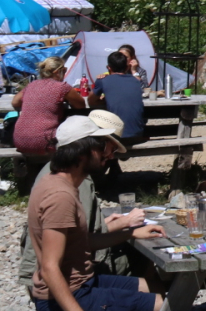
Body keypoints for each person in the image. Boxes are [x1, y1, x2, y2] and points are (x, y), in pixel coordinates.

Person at [28, 116, 165, 311]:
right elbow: (49, 267)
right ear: (84, 152)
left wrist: (131, 232)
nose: (108, 156)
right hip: (70, 294)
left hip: (83, 283)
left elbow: (85, 242)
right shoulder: (60, 196)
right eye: (102, 148)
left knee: (152, 286)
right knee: (161, 305)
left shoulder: (59, 182)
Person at [17, 110, 136, 288]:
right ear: (91, 146)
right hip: (66, 280)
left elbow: (71, 228)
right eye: (108, 148)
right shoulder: (72, 181)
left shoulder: (57, 170)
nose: (111, 156)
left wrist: (106, 224)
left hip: (48, 273)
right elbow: (80, 239)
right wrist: (126, 225)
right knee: (140, 260)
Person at [12, 57, 87, 157]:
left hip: (20, 140)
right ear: (57, 72)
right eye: (64, 70)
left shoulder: (32, 85)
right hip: (44, 141)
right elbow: (81, 105)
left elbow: (15, 102)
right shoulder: (62, 87)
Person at [89, 52, 147, 146]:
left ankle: (110, 160)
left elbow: (91, 102)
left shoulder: (103, 80)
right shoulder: (136, 81)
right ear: (127, 67)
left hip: (117, 136)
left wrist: (104, 99)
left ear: (109, 68)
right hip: (137, 134)